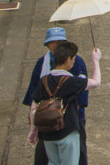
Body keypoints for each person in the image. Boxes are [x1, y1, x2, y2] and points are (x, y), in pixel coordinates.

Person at [23, 27, 93, 165]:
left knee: (78, 153)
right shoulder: (41, 63)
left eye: (59, 42)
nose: (55, 45)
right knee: (44, 155)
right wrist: (33, 116)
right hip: (47, 119)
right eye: (52, 42)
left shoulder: (76, 61)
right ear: (47, 45)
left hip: (72, 118)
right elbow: (34, 91)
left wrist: (74, 114)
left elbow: (83, 91)